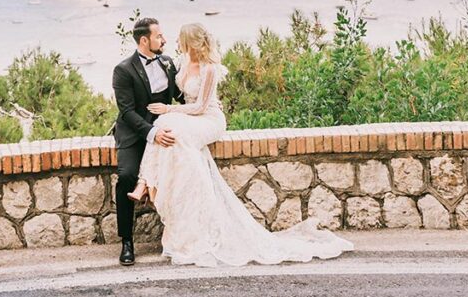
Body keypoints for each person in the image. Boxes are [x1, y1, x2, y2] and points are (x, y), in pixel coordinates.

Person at [128, 22, 353, 267]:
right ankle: (146, 184)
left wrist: (170, 109)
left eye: (180, 38)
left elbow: (202, 106)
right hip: (189, 116)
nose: (174, 41)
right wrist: (168, 110)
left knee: (168, 125)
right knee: (163, 126)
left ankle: (148, 185)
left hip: (209, 118)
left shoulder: (210, 69)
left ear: (189, 41)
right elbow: (181, 94)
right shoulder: (180, 62)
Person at [111, 17, 183, 266]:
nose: (163, 39)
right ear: (144, 40)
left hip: (164, 131)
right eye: (158, 36)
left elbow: (179, 96)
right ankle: (127, 241)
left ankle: (178, 236)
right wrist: (152, 133)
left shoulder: (167, 63)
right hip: (135, 134)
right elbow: (127, 112)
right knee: (128, 176)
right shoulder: (123, 70)